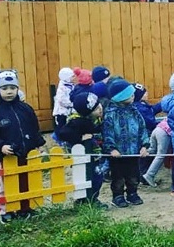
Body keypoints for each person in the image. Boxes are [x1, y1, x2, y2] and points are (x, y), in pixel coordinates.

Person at [0, 69, 46, 223]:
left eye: (12, 88)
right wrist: (0, 146)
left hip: (26, 154)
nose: (9, 92)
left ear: (17, 88)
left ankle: (25, 207)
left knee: (25, 181)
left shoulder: (25, 109)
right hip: (5, 157)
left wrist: (39, 144)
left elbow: (34, 128)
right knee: (7, 184)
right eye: (4, 89)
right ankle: (7, 211)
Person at [102, 79, 149, 208]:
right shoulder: (110, 115)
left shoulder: (135, 112)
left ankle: (132, 193)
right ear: (121, 97)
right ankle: (117, 196)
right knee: (118, 176)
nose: (133, 97)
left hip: (133, 151)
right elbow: (107, 133)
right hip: (117, 154)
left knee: (134, 175)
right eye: (130, 94)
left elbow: (142, 129)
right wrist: (111, 149)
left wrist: (144, 146)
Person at [58, 91, 107, 208]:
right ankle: (88, 200)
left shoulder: (95, 118)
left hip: (94, 155)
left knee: (97, 177)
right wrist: (80, 138)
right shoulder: (77, 121)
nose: (99, 109)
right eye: (95, 110)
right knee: (90, 178)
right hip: (84, 157)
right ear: (87, 113)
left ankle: (89, 199)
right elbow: (63, 133)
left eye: (99, 106)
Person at [133, 83, 162, 177]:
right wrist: (163, 125)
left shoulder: (143, 104)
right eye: (144, 93)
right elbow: (150, 122)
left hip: (147, 133)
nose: (147, 94)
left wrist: (161, 104)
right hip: (145, 135)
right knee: (146, 156)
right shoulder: (139, 108)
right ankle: (143, 175)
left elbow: (152, 110)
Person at [52, 67, 76, 136]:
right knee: (62, 126)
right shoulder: (62, 88)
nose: (74, 78)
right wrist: (72, 104)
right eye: (72, 76)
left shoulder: (70, 85)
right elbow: (62, 100)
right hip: (61, 112)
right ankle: (59, 137)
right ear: (67, 78)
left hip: (68, 111)